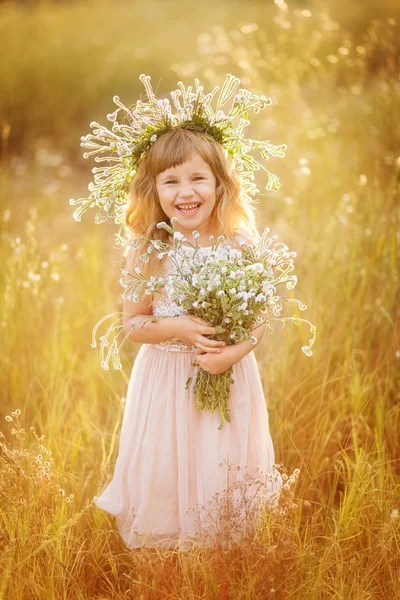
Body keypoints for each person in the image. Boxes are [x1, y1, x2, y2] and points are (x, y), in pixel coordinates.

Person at [93, 126, 283, 550]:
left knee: (222, 463)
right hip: (166, 381)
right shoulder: (147, 250)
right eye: (171, 181)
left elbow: (261, 316)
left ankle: (222, 556)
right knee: (167, 467)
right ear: (153, 189)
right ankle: (166, 563)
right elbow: (133, 324)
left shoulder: (240, 242)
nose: (186, 191)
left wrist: (234, 352)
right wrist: (178, 326)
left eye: (198, 178)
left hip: (228, 375)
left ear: (220, 183)